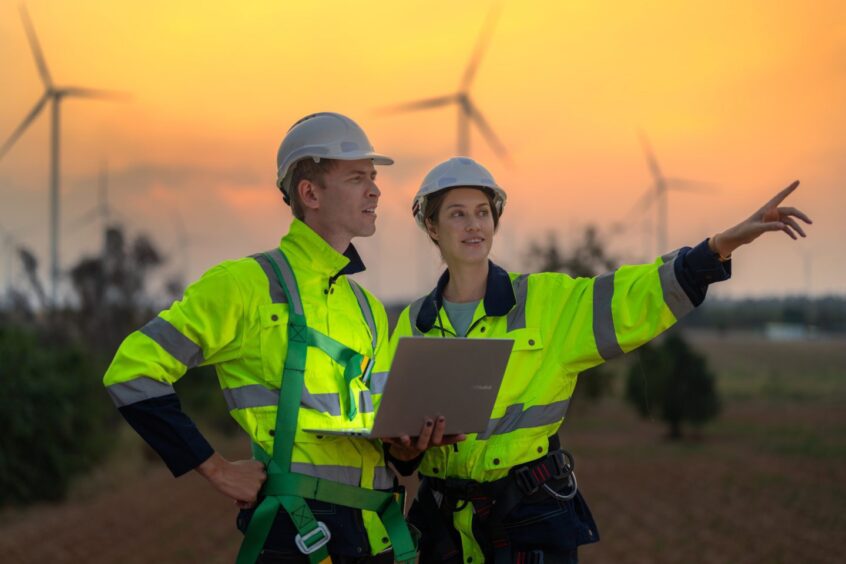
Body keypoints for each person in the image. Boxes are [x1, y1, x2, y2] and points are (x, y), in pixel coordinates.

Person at [388, 156, 812, 563]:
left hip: (526, 520)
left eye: (482, 211)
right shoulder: (412, 323)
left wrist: (718, 247)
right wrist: (405, 450)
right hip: (442, 528)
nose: (474, 224)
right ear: (431, 225)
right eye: (457, 214)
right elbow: (399, 446)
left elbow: (633, 297)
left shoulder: (548, 301)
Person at [102, 112, 453, 563]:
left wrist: (405, 449)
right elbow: (132, 371)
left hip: (381, 534)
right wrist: (217, 470)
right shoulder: (244, 285)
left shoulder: (367, 308)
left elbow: (378, 428)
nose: (375, 190)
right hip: (300, 535)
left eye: (373, 177)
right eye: (356, 177)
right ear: (310, 193)